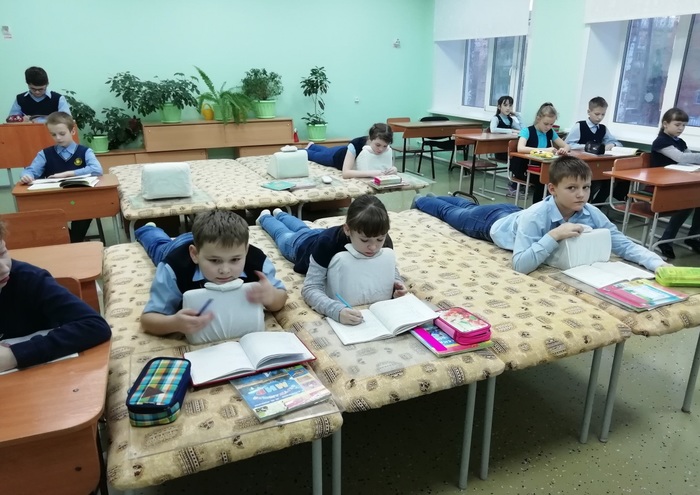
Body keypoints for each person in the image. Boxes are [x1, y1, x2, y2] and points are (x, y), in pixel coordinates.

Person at [412, 157, 667, 275]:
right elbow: (520, 264)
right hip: (492, 224)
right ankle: (422, 199)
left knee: (463, 208)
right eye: (572, 188)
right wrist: (554, 235)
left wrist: (658, 264)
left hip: (516, 216)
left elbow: (622, 243)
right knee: (452, 213)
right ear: (552, 189)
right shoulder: (538, 216)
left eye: (586, 188)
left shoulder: (591, 212)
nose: (581, 195)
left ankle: (435, 198)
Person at [256, 195, 407, 325]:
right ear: (348, 229)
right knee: (283, 234)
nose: (373, 247)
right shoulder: (327, 244)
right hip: (303, 245)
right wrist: (336, 310)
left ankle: (281, 214)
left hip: (325, 234)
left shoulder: (383, 240)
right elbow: (310, 288)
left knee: (303, 228)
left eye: (379, 239)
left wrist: (396, 283)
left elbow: (389, 268)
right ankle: (266, 217)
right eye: (365, 240)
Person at [135, 210, 288, 337]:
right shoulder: (173, 268)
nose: (225, 270)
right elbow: (147, 320)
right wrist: (174, 323)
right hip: (176, 247)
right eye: (215, 261)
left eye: (235, 259)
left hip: (203, 243)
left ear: (246, 251)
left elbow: (280, 299)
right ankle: (149, 229)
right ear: (194, 254)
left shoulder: (258, 262)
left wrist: (272, 297)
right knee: (157, 247)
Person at [0, 220, 111, 372]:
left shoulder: (30, 279)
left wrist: (14, 355)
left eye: (3, 252)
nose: (4, 267)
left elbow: (94, 325)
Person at [20, 111, 103, 243]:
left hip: (79, 199)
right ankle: (74, 243)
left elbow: (97, 169)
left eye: (62, 134)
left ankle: (74, 242)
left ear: (73, 131)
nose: (58, 138)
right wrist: (27, 176)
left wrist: (67, 173)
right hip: (53, 200)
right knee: (43, 215)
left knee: (85, 210)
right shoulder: (45, 154)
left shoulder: (85, 151)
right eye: (53, 134)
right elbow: (31, 170)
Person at [650, 107, 700, 259]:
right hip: (659, 185)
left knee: (697, 200)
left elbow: (689, 156)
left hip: (677, 181)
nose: (681, 128)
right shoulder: (661, 141)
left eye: (684, 125)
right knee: (686, 204)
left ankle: (693, 237)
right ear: (665, 124)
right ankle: (665, 241)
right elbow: (681, 158)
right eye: (677, 124)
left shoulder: (680, 141)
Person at [565, 96, 623, 204]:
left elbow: (617, 142)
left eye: (603, 114)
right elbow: (568, 144)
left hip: (597, 164)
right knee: (591, 184)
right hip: (580, 164)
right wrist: (587, 147)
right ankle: (584, 205)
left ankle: (596, 207)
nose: (600, 117)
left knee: (609, 182)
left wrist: (612, 144)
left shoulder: (603, 128)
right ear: (589, 112)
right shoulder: (579, 126)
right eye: (597, 114)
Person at [510, 102, 571, 203]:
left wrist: (564, 149)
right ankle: (538, 206)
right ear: (538, 119)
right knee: (543, 180)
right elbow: (520, 148)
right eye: (546, 124)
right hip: (526, 167)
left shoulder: (550, 132)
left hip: (543, 166)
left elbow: (566, 145)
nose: (548, 127)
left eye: (551, 124)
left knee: (560, 177)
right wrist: (545, 150)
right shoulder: (527, 131)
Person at [305, 123, 397, 178]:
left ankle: (312, 145)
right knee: (314, 155)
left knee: (325, 150)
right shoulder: (356, 144)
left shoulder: (385, 149)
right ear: (370, 139)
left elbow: (387, 165)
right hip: (337, 156)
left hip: (342, 150)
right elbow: (346, 173)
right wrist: (372, 173)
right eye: (378, 145)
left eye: (385, 146)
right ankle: (303, 149)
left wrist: (393, 169)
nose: (381, 149)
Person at [7, 66, 71, 123]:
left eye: (41, 89)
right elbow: (10, 121)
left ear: (47, 84)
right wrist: (21, 120)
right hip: (26, 133)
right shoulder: (20, 99)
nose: (37, 92)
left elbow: (67, 121)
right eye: (33, 89)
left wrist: (46, 121)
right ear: (28, 84)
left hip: (52, 134)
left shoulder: (58, 99)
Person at [489, 95, 522, 197]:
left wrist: (517, 115)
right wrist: (511, 131)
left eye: (510, 106)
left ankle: (516, 185)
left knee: (521, 159)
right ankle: (514, 186)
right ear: (499, 107)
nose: (508, 108)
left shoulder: (510, 120)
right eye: (505, 105)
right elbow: (493, 129)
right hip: (500, 152)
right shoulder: (496, 118)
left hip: (509, 152)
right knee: (518, 160)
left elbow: (522, 130)